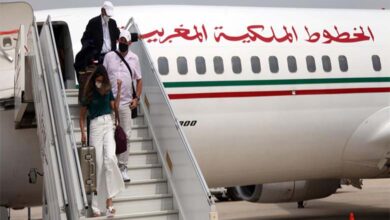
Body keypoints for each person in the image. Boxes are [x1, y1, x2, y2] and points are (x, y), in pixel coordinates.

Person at [79, 65, 124, 217]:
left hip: (108, 123)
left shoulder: (107, 90)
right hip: (95, 126)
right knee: (97, 165)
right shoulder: (89, 93)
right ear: (94, 79)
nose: (99, 82)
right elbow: (82, 116)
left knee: (110, 159)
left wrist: (118, 90)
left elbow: (115, 107)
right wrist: (83, 132)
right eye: (98, 80)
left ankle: (109, 202)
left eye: (101, 80)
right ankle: (95, 204)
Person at [103, 29, 143, 182]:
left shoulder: (134, 59)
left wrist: (137, 98)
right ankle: (110, 167)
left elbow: (139, 80)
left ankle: (123, 167)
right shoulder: (109, 57)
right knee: (109, 135)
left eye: (125, 42)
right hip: (110, 103)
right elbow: (103, 77)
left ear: (129, 43)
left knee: (126, 135)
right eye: (121, 41)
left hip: (126, 104)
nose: (123, 44)